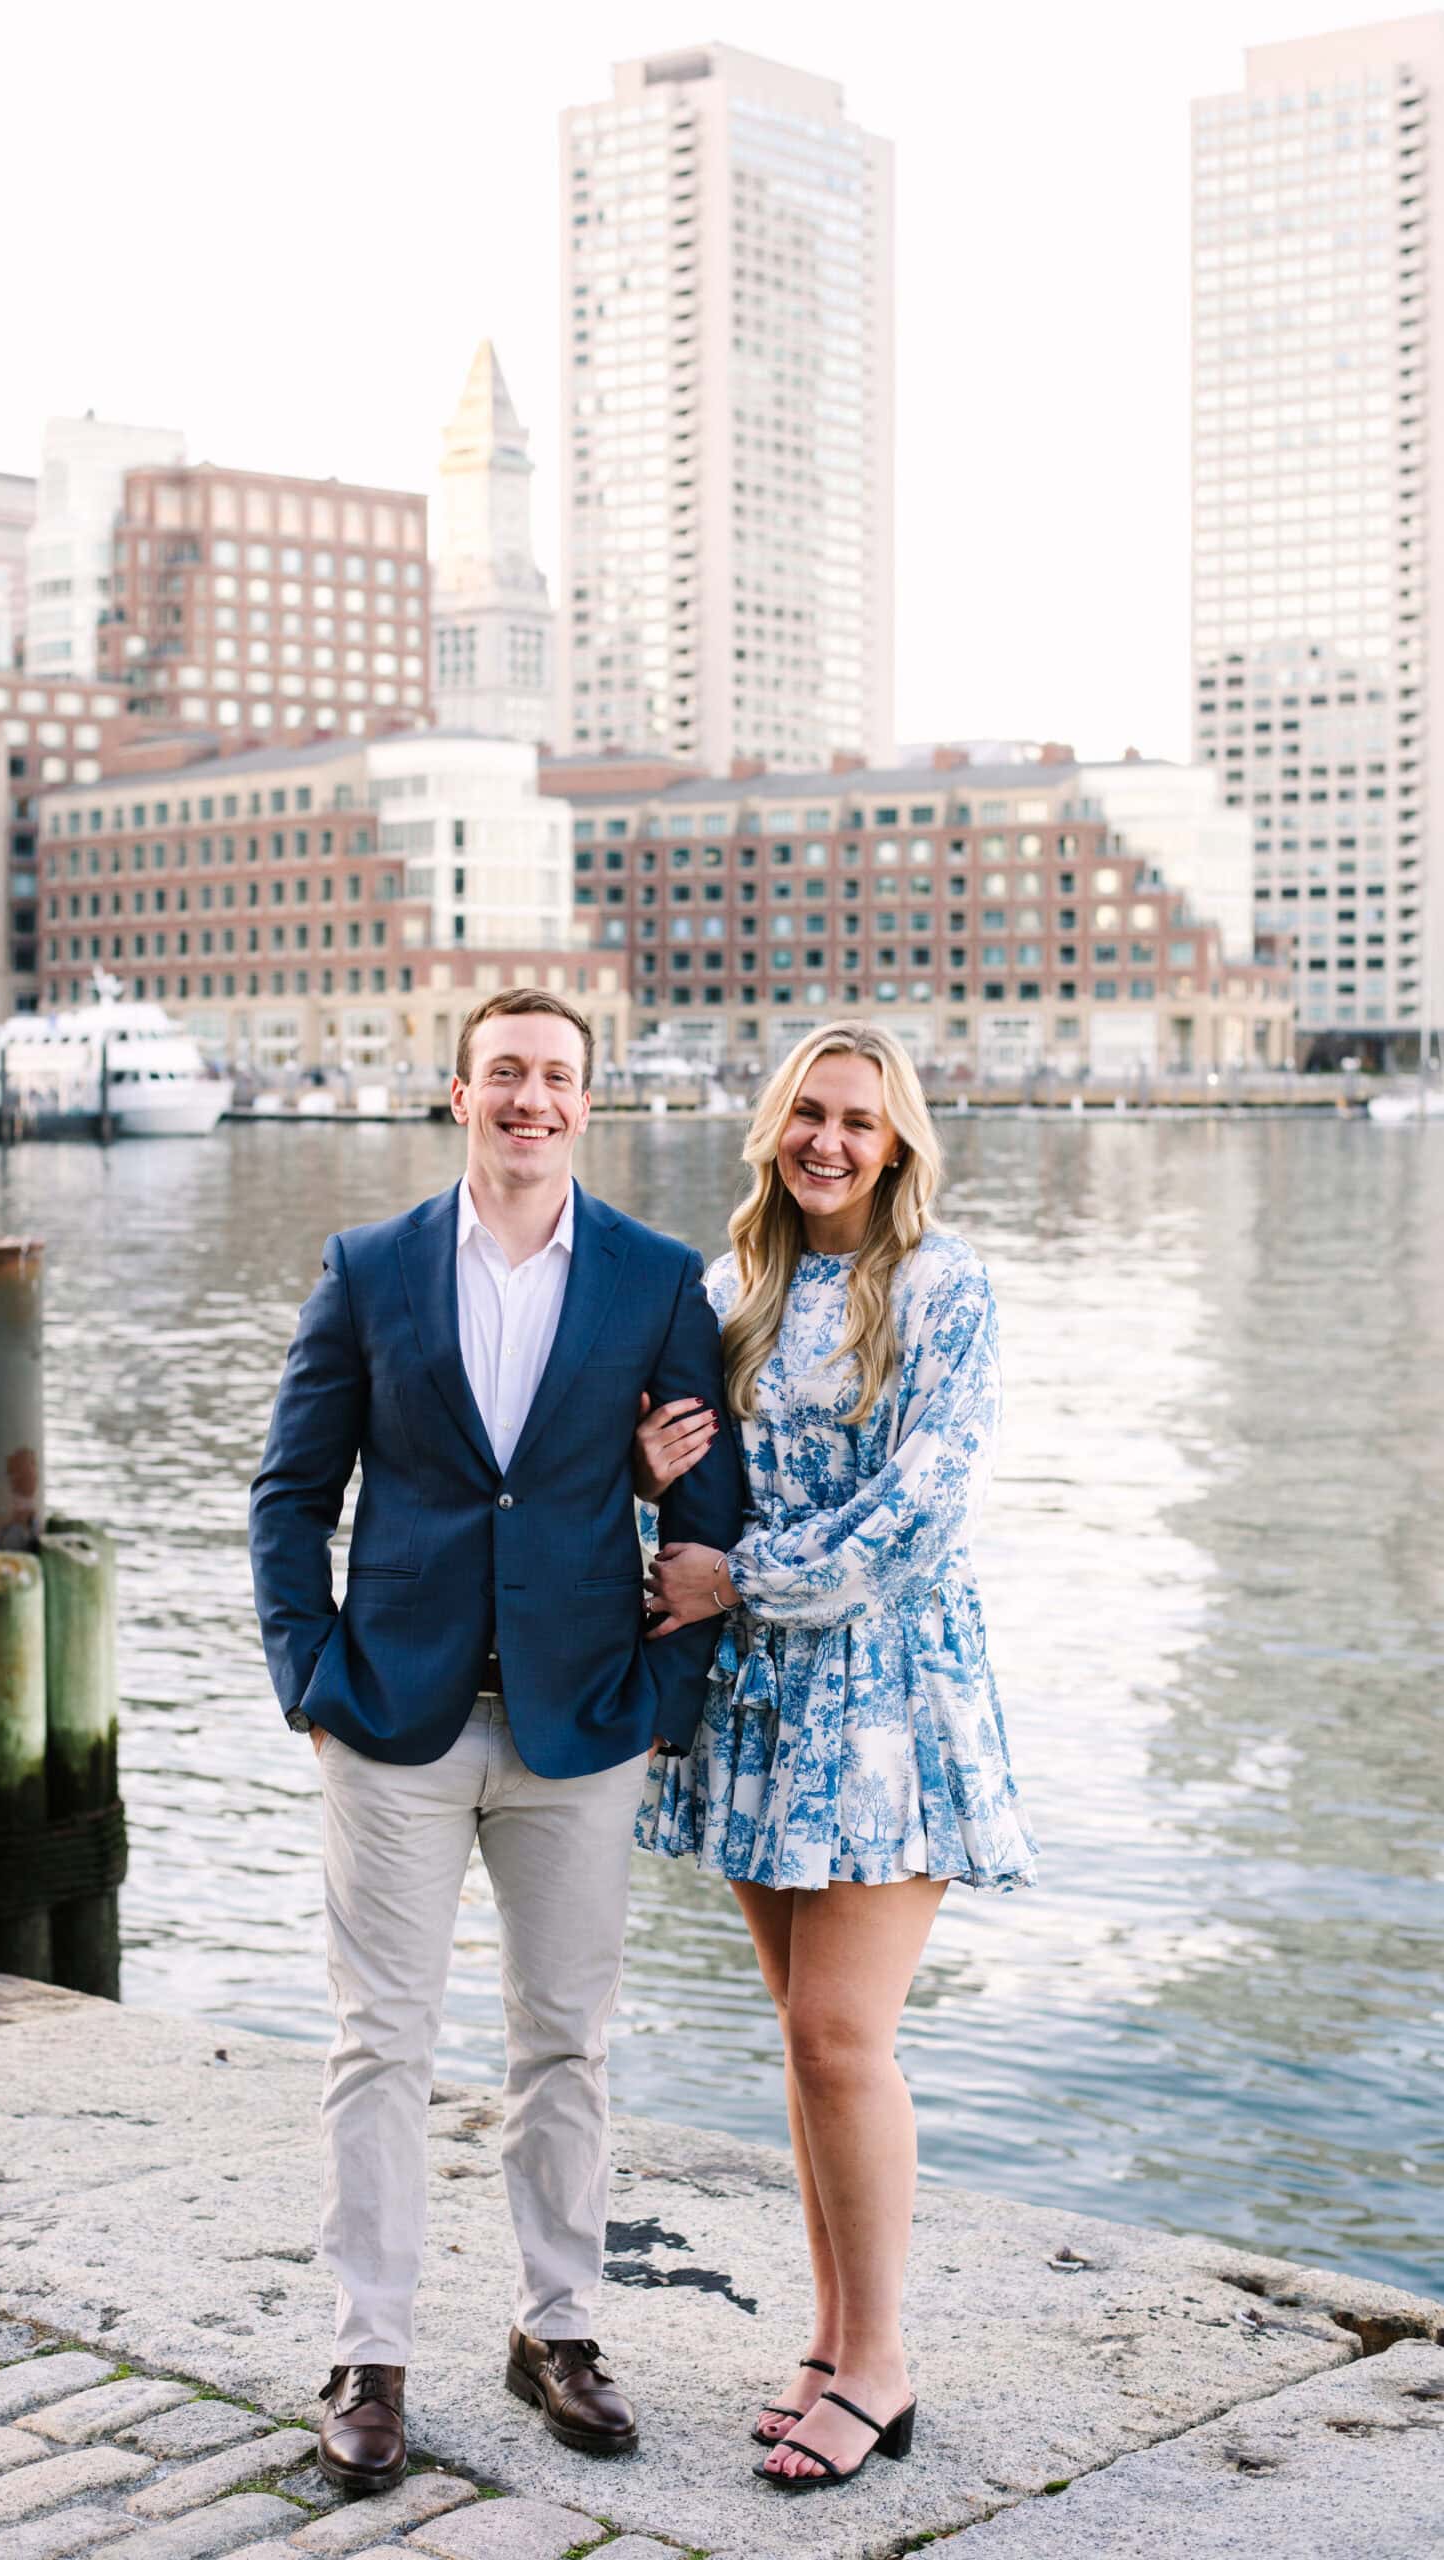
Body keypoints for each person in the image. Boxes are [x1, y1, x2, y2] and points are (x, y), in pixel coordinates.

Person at [249, 987, 744, 2496]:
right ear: (456, 1094)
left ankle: (557, 2331)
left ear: (588, 1105)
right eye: (504, 1076)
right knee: (378, 2043)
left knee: (564, 2043)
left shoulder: (661, 1284)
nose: (531, 1099)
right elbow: (289, 1493)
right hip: (392, 1719)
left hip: (579, 1721)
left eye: (556, 1079)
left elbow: (707, 1524)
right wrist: (308, 1677)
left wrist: (662, 1706)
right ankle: (367, 2354)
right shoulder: (370, 1267)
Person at [633, 1021, 1037, 2495]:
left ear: (899, 1142)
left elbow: (922, 1508)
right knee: (804, 2049)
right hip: (754, 1707)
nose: (828, 1141)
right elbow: (685, 1474)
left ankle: (880, 2365)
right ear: (771, 1127)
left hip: (888, 1696)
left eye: (859, 1122)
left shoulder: (945, 1287)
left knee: (839, 2039)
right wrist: (654, 1494)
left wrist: (735, 1578)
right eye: (807, 1113)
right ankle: (828, 2340)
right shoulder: (726, 1286)